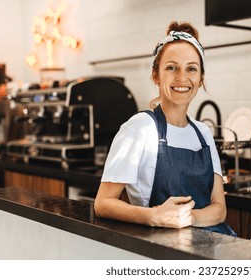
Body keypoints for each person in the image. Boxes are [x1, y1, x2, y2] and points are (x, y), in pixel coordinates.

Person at [94, 21, 235, 236]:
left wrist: (187, 217)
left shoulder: (203, 133)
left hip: (212, 247)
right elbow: (103, 203)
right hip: (160, 250)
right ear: (156, 76)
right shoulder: (139, 128)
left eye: (191, 69)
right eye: (172, 67)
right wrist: (155, 216)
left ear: (201, 79)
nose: (182, 77)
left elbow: (219, 209)